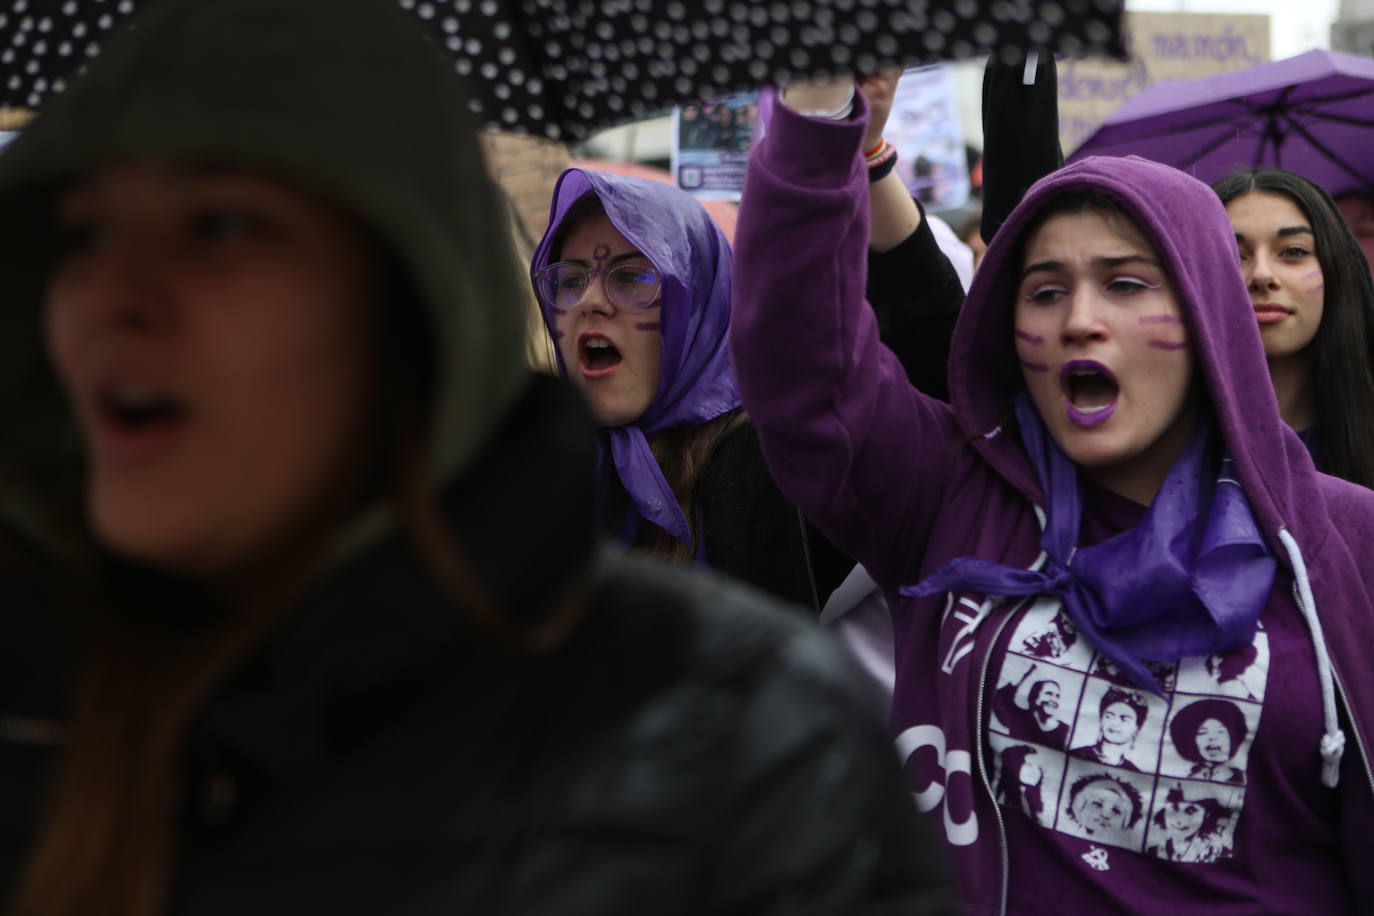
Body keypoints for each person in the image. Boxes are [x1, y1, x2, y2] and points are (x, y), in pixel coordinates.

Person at [0, 3, 960, 915]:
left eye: (219, 227)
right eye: (82, 235)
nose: (112, 297)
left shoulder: (746, 739)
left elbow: (837, 375)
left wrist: (845, 141)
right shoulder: (49, 699)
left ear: (413, 296)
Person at [730, 76, 1374, 910]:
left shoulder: (1344, 543)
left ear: (1210, 314)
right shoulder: (944, 495)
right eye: (1044, 291)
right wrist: (817, 121)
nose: (1079, 319)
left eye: (1127, 283)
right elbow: (800, 364)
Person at [530, 72, 963, 610]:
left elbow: (936, 362)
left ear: (701, 312)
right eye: (569, 279)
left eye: (633, 276)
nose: (590, 300)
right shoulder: (530, 475)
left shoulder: (777, 461)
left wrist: (865, 153)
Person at [1213, 169, 1374, 487]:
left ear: (1336, 272)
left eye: (1294, 252)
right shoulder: (1155, 453)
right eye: (1234, 255)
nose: (1261, 275)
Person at [1146, 783, 1235, 863]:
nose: (1178, 821)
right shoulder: (1154, 852)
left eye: (1191, 810)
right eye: (1174, 808)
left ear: (1207, 814)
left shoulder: (1219, 852)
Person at [1168, 698, 1249, 785]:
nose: (1212, 738)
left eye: (1221, 731)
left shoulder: (1244, 778)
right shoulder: (1185, 780)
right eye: (1202, 733)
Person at [1070, 688, 1149, 771]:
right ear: (1101, 719)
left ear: (1136, 729)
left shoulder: (1133, 771)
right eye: (1109, 716)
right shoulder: (1078, 755)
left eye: (1124, 719)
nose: (1115, 723)